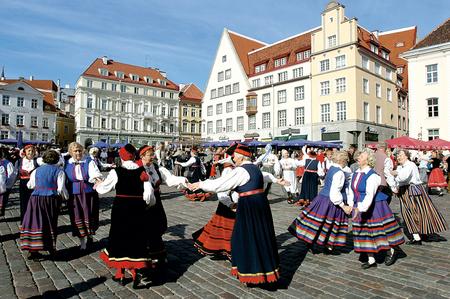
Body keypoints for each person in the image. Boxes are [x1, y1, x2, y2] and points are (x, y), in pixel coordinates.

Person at [188, 144, 280, 286]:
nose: (233, 158)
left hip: (249, 206)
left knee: (245, 237)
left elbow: (221, 184)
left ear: (241, 156)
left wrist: (200, 185)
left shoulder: (242, 171)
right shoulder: (255, 168)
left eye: (235, 155)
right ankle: (265, 269)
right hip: (260, 204)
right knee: (260, 235)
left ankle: (253, 272)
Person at [95, 144, 155, 289]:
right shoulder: (142, 171)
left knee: (119, 237)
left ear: (121, 157)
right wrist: (146, 205)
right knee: (136, 238)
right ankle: (135, 272)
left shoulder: (116, 172)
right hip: (137, 208)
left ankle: (120, 274)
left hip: (121, 208)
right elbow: (149, 196)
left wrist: (98, 184)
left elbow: (104, 189)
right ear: (134, 156)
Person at [348, 149, 405, 269]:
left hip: (374, 206)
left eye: (361, 155)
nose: (358, 157)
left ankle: (391, 251)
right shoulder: (355, 173)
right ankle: (371, 259)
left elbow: (370, 195)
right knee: (364, 232)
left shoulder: (373, 176)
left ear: (368, 160)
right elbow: (351, 191)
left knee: (379, 231)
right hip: (359, 206)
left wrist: (360, 208)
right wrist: (351, 205)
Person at [136, 145, 187, 275]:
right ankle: (143, 257)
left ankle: (157, 255)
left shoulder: (158, 168)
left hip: (156, 202)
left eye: (153, 154)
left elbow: (169, 180)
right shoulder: (136, 168)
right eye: (150, 155)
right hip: (141, 204)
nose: (153, 157)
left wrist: (182, 180)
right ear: (142, 156)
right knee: (143, 229)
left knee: (157, 226)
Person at [289, 151, 353, 253]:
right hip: (331, 202)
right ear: (343, 160)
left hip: (322, 198)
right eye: (346, 160)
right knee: (328, 224)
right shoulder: (339, 172)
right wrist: (343, 206)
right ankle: (327, 245)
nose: (346, 162)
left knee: (319, 222)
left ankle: (313, 242)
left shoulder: (332, 168)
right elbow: (334, 193)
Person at [391, 149, 448, 244]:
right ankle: (419, 236)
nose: (398, 157)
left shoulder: (410, 165)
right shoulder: (402, 166)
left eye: (401, 155)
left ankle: (421, 236)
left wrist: (395, 173)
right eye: (398, 155)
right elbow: (399, 179)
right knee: (411, 213)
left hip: (412, 190)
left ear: (406, 156)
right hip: (406, 191)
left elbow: (403, 177)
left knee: (417, 212)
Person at [20, 150, 68, 260]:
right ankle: (51, 249)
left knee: (34, 222)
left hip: (35, 199)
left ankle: (33, 250)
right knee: (50, 222)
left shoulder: (36, 170)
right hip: (50, 199)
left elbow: (30, 185)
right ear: (56, 159)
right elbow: (61, 189)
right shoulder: (59, 171)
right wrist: (66, 198)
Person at [64, 142, 103, 251]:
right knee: (77, 217)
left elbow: (94, 173)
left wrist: (97, 179)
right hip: (74, 194)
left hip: (88, 193)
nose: (78, 153)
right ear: (71, 152)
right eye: (75, 151)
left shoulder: (88, 161)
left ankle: (90, 236)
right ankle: (82, 242)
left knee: (89, 214)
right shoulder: (67, 163)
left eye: (79, 150)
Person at [15, 144, 41, 222]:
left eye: (32, 151)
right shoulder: (19, 161)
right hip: (23, 184)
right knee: (23, 203)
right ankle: (23, 221)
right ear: (24, 152)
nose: (30, 152)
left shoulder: (37, 161)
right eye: (29, 150)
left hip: (35, 185)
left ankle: (34, 221)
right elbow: (15, 174)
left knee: (35, 203)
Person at [0, 147, 15, 216]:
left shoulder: (7, 163)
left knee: (2, 201)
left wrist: (7, 186)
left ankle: (1, 210)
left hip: (4, 186)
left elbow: (11, 175)